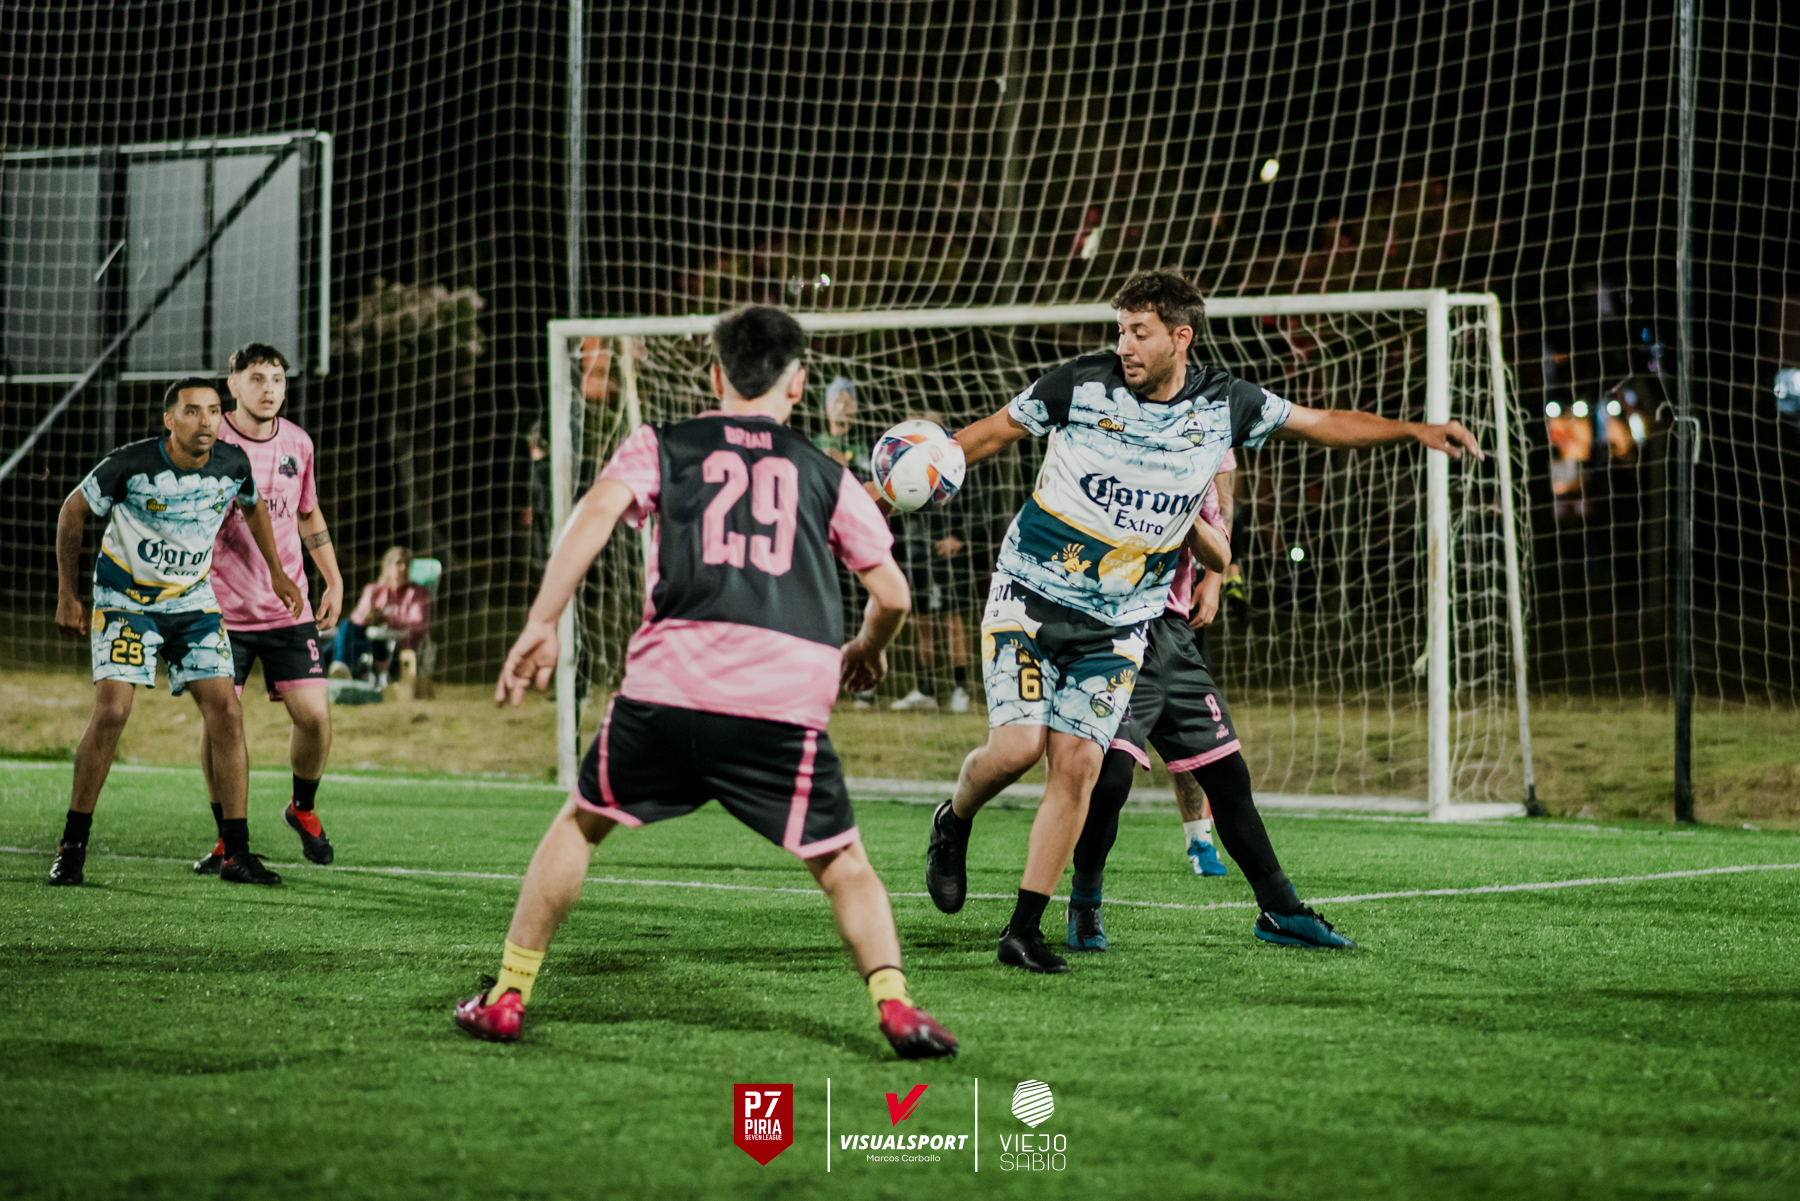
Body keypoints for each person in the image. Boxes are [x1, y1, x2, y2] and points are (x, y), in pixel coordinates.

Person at [923, 268, 1482, 973]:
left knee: (1082, 766)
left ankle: (1023, 930)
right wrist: (915, 472)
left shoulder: (1225, 405)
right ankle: (955, 820)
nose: (1124, 345)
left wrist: (1416, 431)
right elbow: (990, 435)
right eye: (1120, 330)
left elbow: (1320, 424)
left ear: (1180, 337)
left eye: (1139, 332)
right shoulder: (1080, 384)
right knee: (1015, 751)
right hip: (1031, 595)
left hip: (1122, 623)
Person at [453, 305, 958, 1059]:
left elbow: (595, 513)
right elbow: (893, 595)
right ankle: (895, 1006)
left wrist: (542, 621)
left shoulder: (663, 444)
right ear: (798, 385)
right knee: (843, 864)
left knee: (581, 824)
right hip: (780, 706)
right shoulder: (827, 472)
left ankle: (507, 996)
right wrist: (864, 647)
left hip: (669, 690)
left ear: (715, 374)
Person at [49, 378, 301, 887]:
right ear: (170, 420)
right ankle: (72, 847)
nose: (206, 421)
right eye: (192, 411)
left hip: (192, 604)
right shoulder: (131, 464)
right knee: (113, 712)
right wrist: (67, 594)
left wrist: (276, 572)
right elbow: (72, 511)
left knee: (227, 712)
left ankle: (235, 853)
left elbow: (253, 505)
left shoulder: (232, 463)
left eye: (213, 410)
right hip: (126, 602)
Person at [193, 343, 345, 873]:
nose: (270, 389)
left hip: (287, 608)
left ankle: (302, 808)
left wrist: (334, 578)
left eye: (278, 379)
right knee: (220, 722)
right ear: (232, 385)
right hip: (219, 612)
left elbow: (307, 513)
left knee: (315, 717)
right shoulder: (211, 442)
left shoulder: (298, 442)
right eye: (257, 378)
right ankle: (226, 838)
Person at [889, 409, 975, 714]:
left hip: (945, 554)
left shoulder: (957, 463)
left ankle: (961, 688)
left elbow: (977, 506)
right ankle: (924, 689)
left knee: (952, 619)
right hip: (916, 550)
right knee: (920, 621)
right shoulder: (906, 464)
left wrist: (960, 537)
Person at [329, 547, 431, 681]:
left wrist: (387, 619)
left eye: (407, 563)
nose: (403, 567)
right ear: (387, 567)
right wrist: (370, 617)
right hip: (370, 641)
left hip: (397, 646)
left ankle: (338, 666)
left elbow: (419, 623)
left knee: (337, 641)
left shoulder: (419, 592)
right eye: (398, 563)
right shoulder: (373, 590)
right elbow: (357, 617)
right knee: (349, 626)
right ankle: (338, 667)